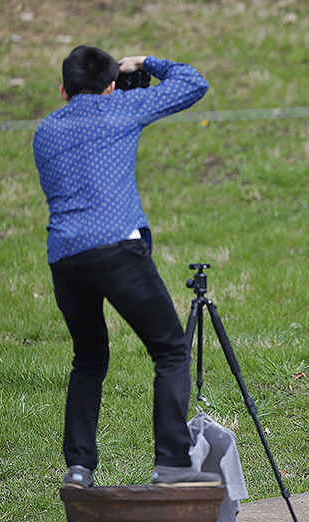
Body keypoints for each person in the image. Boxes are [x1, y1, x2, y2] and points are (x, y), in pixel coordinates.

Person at [33, 45, 220, 488]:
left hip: (65, 258)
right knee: (171, 350)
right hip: (117, 250)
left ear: (63, 90)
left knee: (89, 358)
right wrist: (146, 63)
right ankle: (172, 462)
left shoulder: (44, 131)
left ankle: (79, 469)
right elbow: (194, 83)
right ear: (111, 85)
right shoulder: (122, 107)